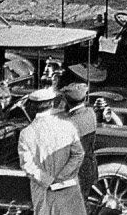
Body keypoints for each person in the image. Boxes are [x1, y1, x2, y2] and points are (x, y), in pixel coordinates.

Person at [16, 86, 88, 214]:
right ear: (52, 103)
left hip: (43, 190)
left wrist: (48, 181)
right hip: (68, 187)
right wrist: (62, 177)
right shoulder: (68, 126)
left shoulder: (26, 133)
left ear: (32, 106)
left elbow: (27, 165)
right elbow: (78, 154)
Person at [61, 79, 101, 199]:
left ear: (67, 101)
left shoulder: (69, 123)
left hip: (75, 172)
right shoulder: (90, 113)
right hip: (89, 166)